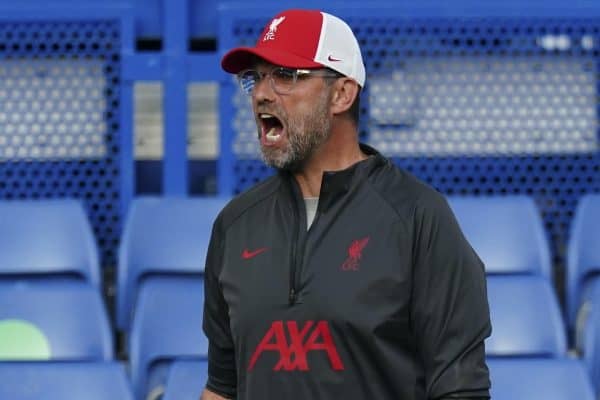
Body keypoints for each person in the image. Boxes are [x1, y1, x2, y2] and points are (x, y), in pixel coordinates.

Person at [202, 8, 491, 400]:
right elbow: (222, 388)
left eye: (286, 76)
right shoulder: (234, 225)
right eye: (255, 77)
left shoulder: (418, 218)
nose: (261, 93)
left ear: (342, 93)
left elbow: (461, 391)